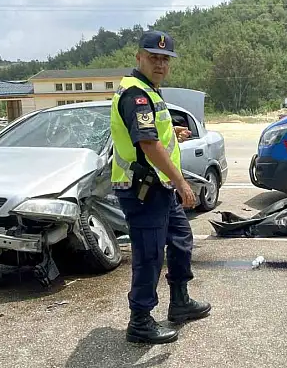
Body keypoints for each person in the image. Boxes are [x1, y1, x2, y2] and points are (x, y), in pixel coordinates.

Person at [109, 30, 211, 344]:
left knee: (181, 240)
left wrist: (174, 134)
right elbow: (148, 145)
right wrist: (182, 183)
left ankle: (179, 301)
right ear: (138, 56)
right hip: (143, 189)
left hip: (159, 187)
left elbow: (155, 137)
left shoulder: (151, 92)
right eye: (154, 57)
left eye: (165, 59)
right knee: (149, 255)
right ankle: (140, 321)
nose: (161, 64)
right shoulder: (136, 94)